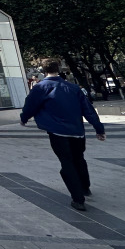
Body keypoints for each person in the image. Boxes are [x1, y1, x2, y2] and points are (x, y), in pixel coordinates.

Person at [20, 58, 106, 211]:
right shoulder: (73, 88)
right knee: (79, 158)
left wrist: (24, 118)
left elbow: (30, 106)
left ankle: (78, 199)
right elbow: (88, 110)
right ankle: (85, 187)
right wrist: (99, 129)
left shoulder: (40, 88)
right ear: (58, 69)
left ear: (43, 70)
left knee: (66, 163)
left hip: (58, 132)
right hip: (77, 131)